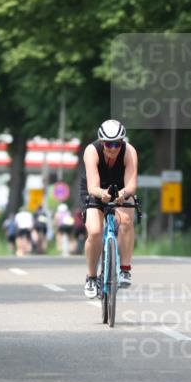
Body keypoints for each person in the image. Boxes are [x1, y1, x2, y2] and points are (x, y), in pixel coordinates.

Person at [81, 119, 138, 298]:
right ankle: (91, 277)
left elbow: (131, 186)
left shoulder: (129, 152)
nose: (112, 148)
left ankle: (125, 269)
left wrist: (122, 194)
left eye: (117, 144)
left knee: (127, 221)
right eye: (108, 144)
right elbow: (92, 187)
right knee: (95, 231)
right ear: (101, 141)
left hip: (121, 188)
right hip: (96, 189)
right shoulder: (92, 151)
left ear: (122, 142)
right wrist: (101, 194)